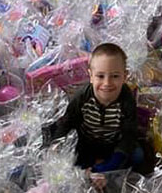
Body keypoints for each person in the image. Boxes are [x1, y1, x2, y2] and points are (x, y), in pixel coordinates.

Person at [53, 43, 141, 175]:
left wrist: (111, 163)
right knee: (71, 166)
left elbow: (129, 133)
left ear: (125, 76)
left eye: (115, 76)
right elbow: (67, 122)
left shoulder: (126, 99)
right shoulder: (82, 96)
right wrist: (55, 145)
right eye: (100, 76)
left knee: (138, 155)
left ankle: (105, 168)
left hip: (113, 143)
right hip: (86, 143)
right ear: (91, 76)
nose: (107, 83)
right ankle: (89, 168)